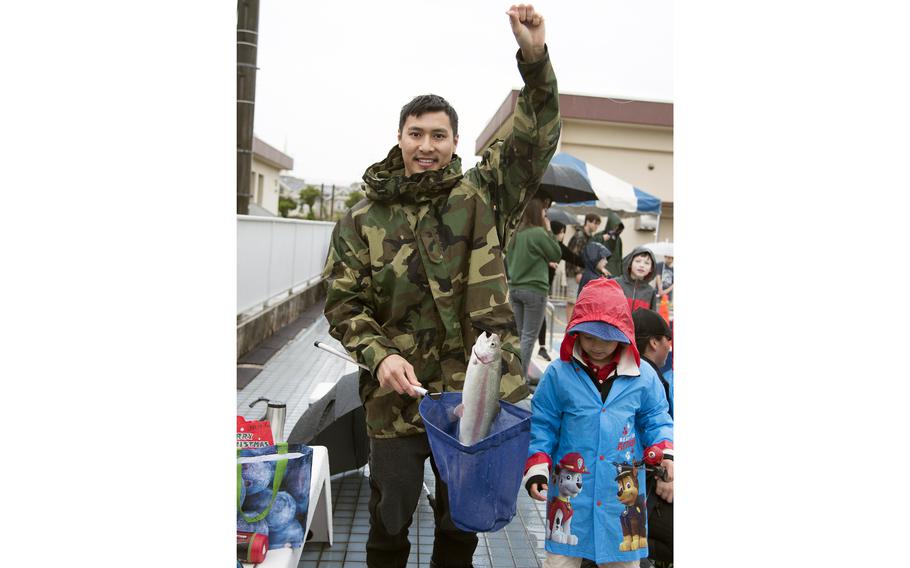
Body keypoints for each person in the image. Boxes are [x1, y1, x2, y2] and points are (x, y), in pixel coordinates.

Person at [322, 6, 559, 567]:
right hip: (395, 402)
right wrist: (379, 358)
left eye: (439, 135)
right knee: (388, 523)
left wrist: (534, 57)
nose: (426, 145)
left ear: (455, 141)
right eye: (416, 134)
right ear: (399, 137)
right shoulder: (361, 217)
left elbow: (535, 137)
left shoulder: (483, 195)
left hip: (476, 399)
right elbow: (343, 302)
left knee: (461, 526)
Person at [522, 278, 673, 567]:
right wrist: (537, 467)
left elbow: (656, 418)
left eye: (607, 337)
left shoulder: (644, 376)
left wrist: (664, 450)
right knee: (561, 560)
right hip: (570, 492)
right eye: (589, 336)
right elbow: (542, 424)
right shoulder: (558, 374)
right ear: (575, 332)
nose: (597, 346)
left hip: (622, 493)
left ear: (624, 333)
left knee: (622, 560)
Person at [631, 308, 674, 568]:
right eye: (668, 339)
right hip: (644, 479)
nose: (670, 346)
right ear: (654, 342)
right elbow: (650, 427)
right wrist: (664, 475)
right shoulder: (648, 376)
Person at [506, 197, 562, 378]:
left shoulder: (517, 234)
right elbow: (556, 253)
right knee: (529, 336)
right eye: (543, 211)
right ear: (538, 213)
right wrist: (548, 230)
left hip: (515, 288)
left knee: (520, 336)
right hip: (534, 289)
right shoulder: (539, 232)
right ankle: (521, 378)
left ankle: (516, 375)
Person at [537, 220, 584, 362]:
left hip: (544, 287)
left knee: (540, 318)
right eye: (562, 231)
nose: (563, 235)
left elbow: (575, 258)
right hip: (536, 285)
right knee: (535, 320)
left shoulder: (558, 247)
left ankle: (542, 347)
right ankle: (540, 347)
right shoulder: (545, 243)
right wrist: (546, 262)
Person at [565, 213, 601, 322]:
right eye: (595, 223)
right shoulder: (580, 236)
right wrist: (578, 272)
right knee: (572, 301)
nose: (596, 226)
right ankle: (569, 328)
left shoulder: (588, 237)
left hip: (582, 272)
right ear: (588, 222)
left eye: (598, 224)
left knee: (579, 300)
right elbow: (574, 255)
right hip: (574, 273)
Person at [614, 246, 658, 312]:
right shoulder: (615, 283)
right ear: (630, 263)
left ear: (651, 269)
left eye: (646, 263)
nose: (642, 265)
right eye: (638, 261)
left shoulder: (651, 291)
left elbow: (652, 318)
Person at [591, 212, 624, 279]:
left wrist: (621, 273)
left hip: (616, 275)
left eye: (618, 227)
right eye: (614, 226)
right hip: (601, 274)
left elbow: (620, 258)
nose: (616, 228)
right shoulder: (599, 236)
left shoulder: (618, 240)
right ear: (610, 224)